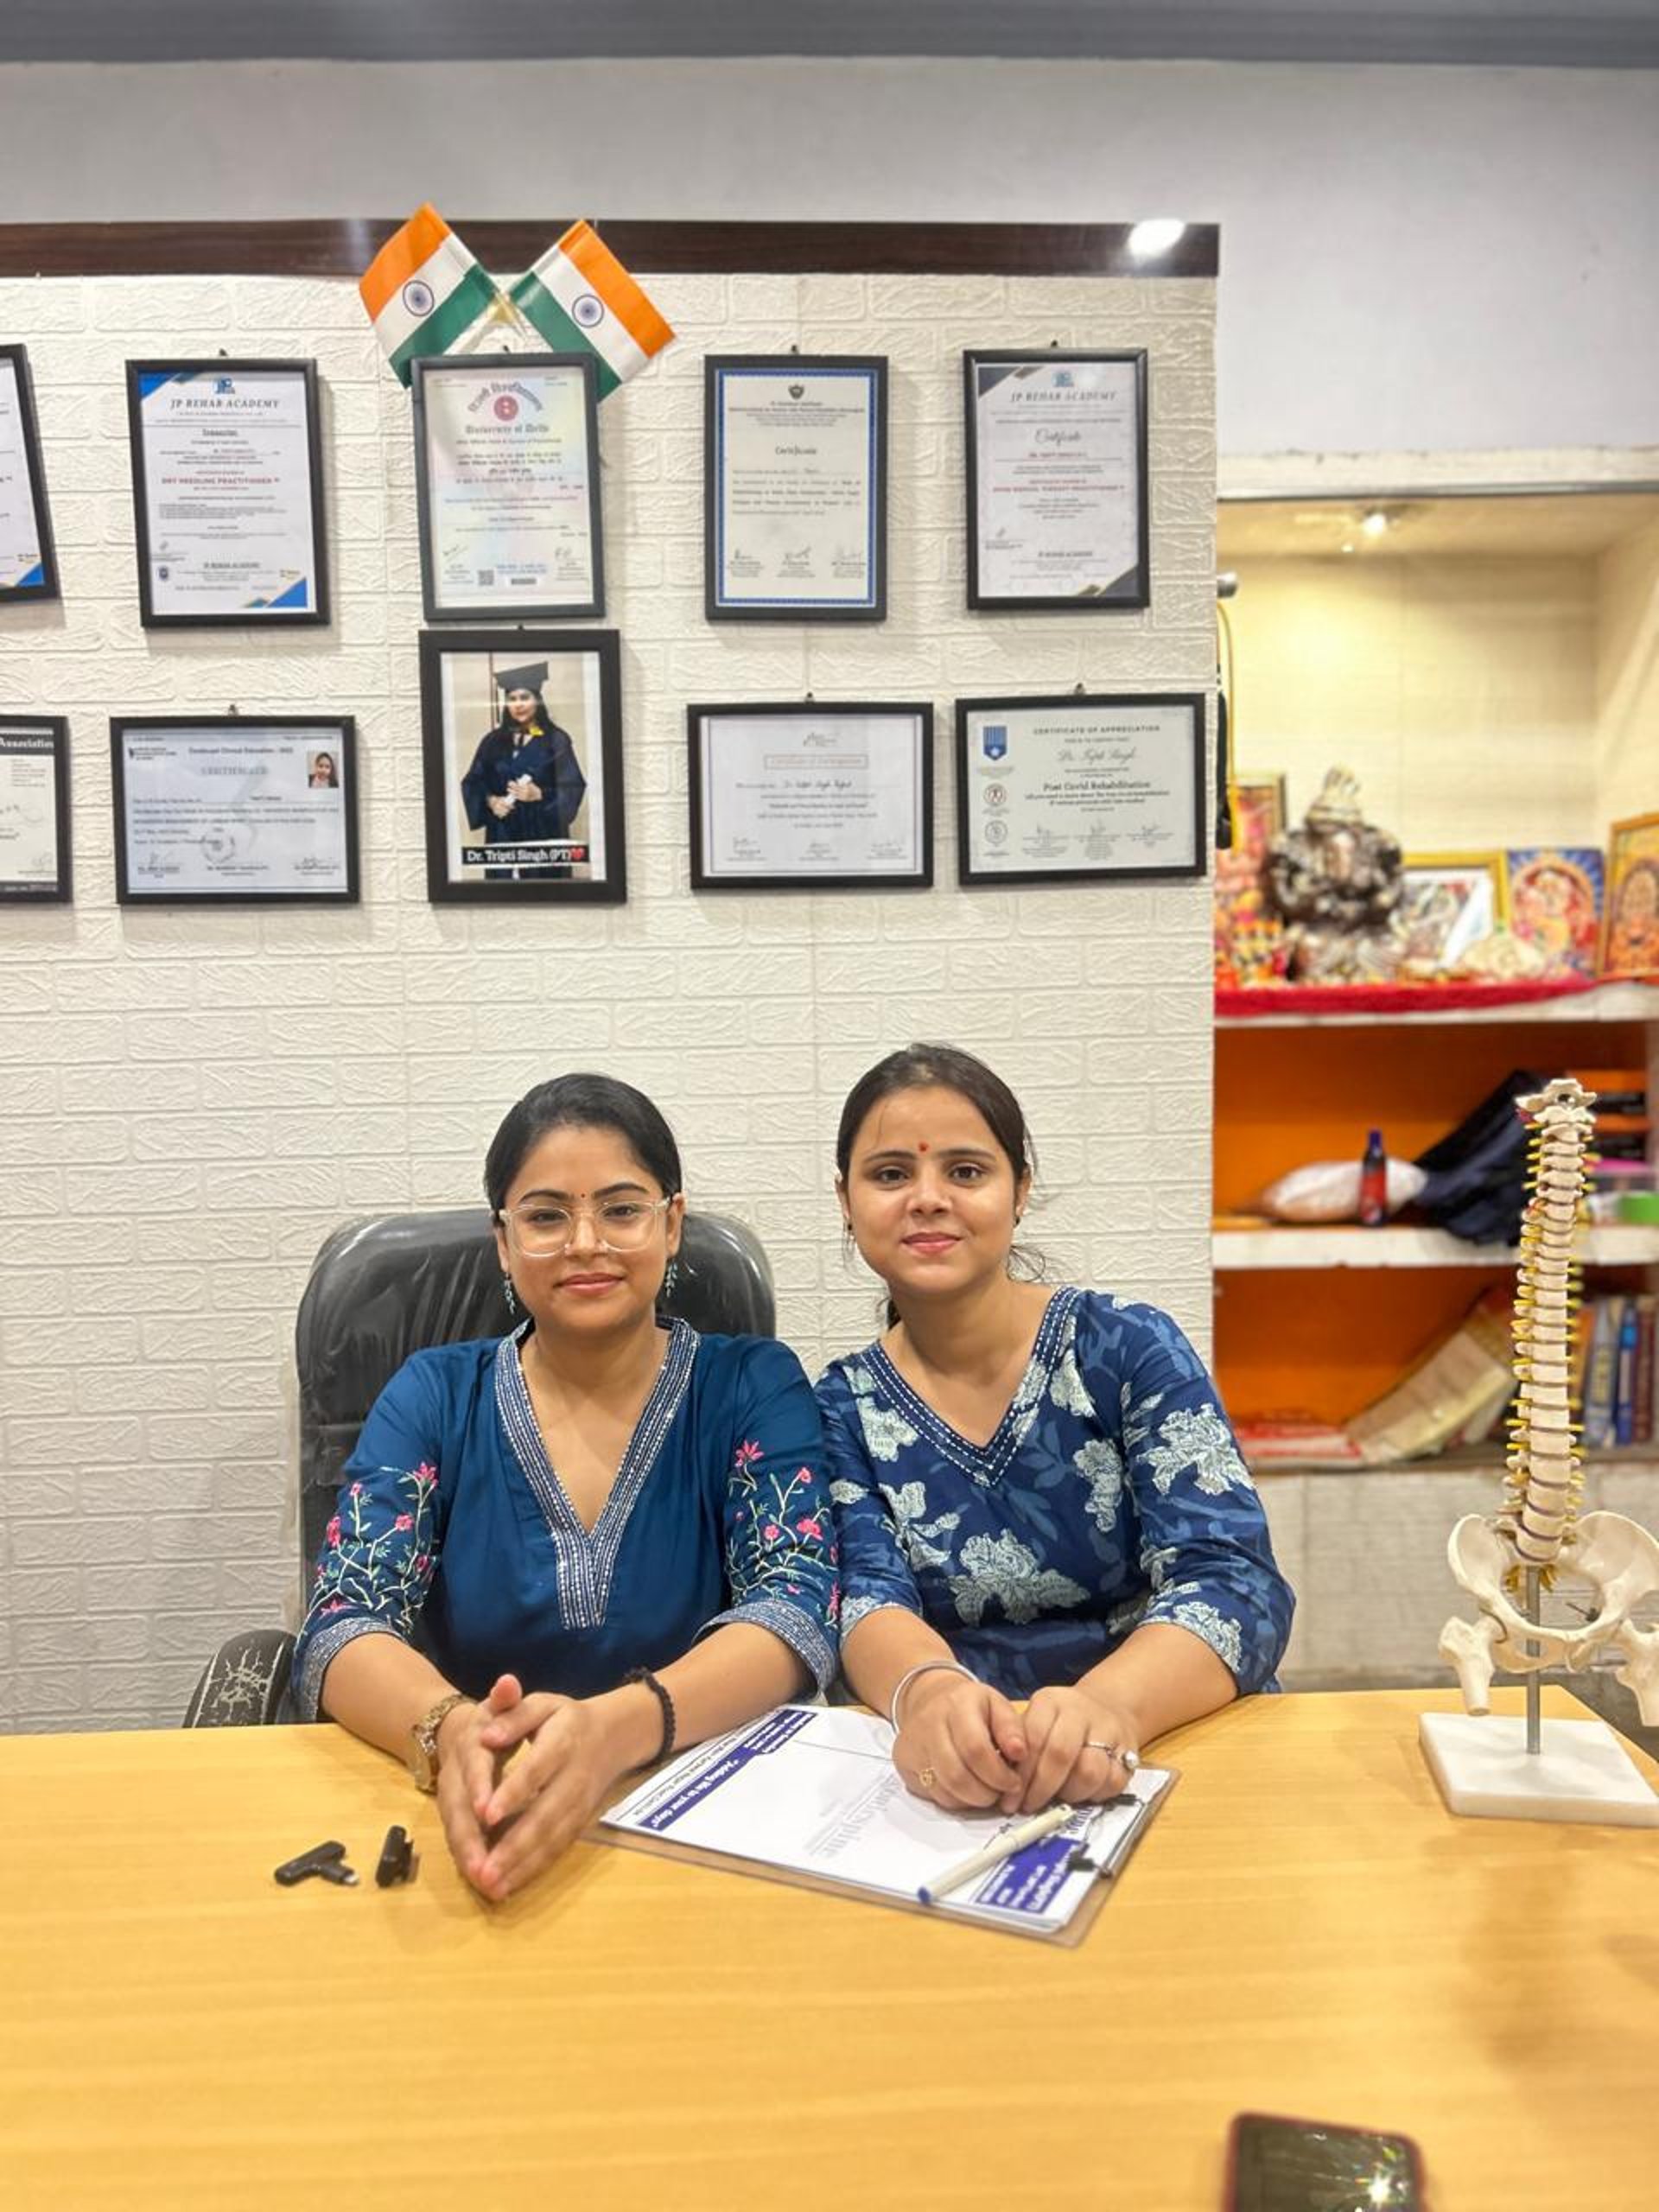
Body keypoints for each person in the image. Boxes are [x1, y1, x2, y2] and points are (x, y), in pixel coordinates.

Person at [290, 1073, 838, 1901]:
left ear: (672, 1224)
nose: (586, 1242)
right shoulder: (435, 1393)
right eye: (547, 1216)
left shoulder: (750, 1384)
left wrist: (614, 1732)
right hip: (479, 1809)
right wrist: (454, 1731)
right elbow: (343, 1621)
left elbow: (794, 1608)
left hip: (701, 1822)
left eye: (621, 1209)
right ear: (505, 1242)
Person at [817, 1043, 1293, 1819]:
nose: (927, 1198)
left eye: (966, 1172)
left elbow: (1234, 1579)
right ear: (846, 1200)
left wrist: (1110, 1707)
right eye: (891, 1174)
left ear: (1020, 1191)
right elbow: (866, 1600)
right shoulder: (841, 1405)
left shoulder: (1126, 1349)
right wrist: (928, 1698)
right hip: (967, 1779)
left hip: (1170, 1743)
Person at [459, 659, 587, 881]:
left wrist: (540, 795)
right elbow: (473, 782)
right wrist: (490, 801)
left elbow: (573, 787)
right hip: (502, 835)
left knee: (545, 899)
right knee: (502, 900)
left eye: (525, 698)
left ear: (537, 700)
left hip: (542, 835)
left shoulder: (556, 740)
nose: (518, 705)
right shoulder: (492, 741)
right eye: (512, 699)